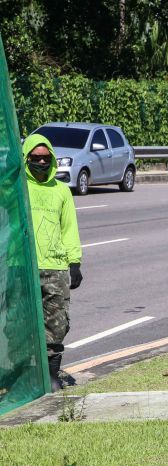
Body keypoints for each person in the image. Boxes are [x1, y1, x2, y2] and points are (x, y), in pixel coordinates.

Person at [22, 134, 83, 390]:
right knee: (18, 324)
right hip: (21, 266)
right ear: (26, 159)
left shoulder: (61, 191)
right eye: (36, 158)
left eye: (46, 158)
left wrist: (75, 263)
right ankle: (21, 376)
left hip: (55, 267)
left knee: (56, 323)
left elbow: (69, 228)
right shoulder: (16, 188)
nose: (42, 162)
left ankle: (51, 375)